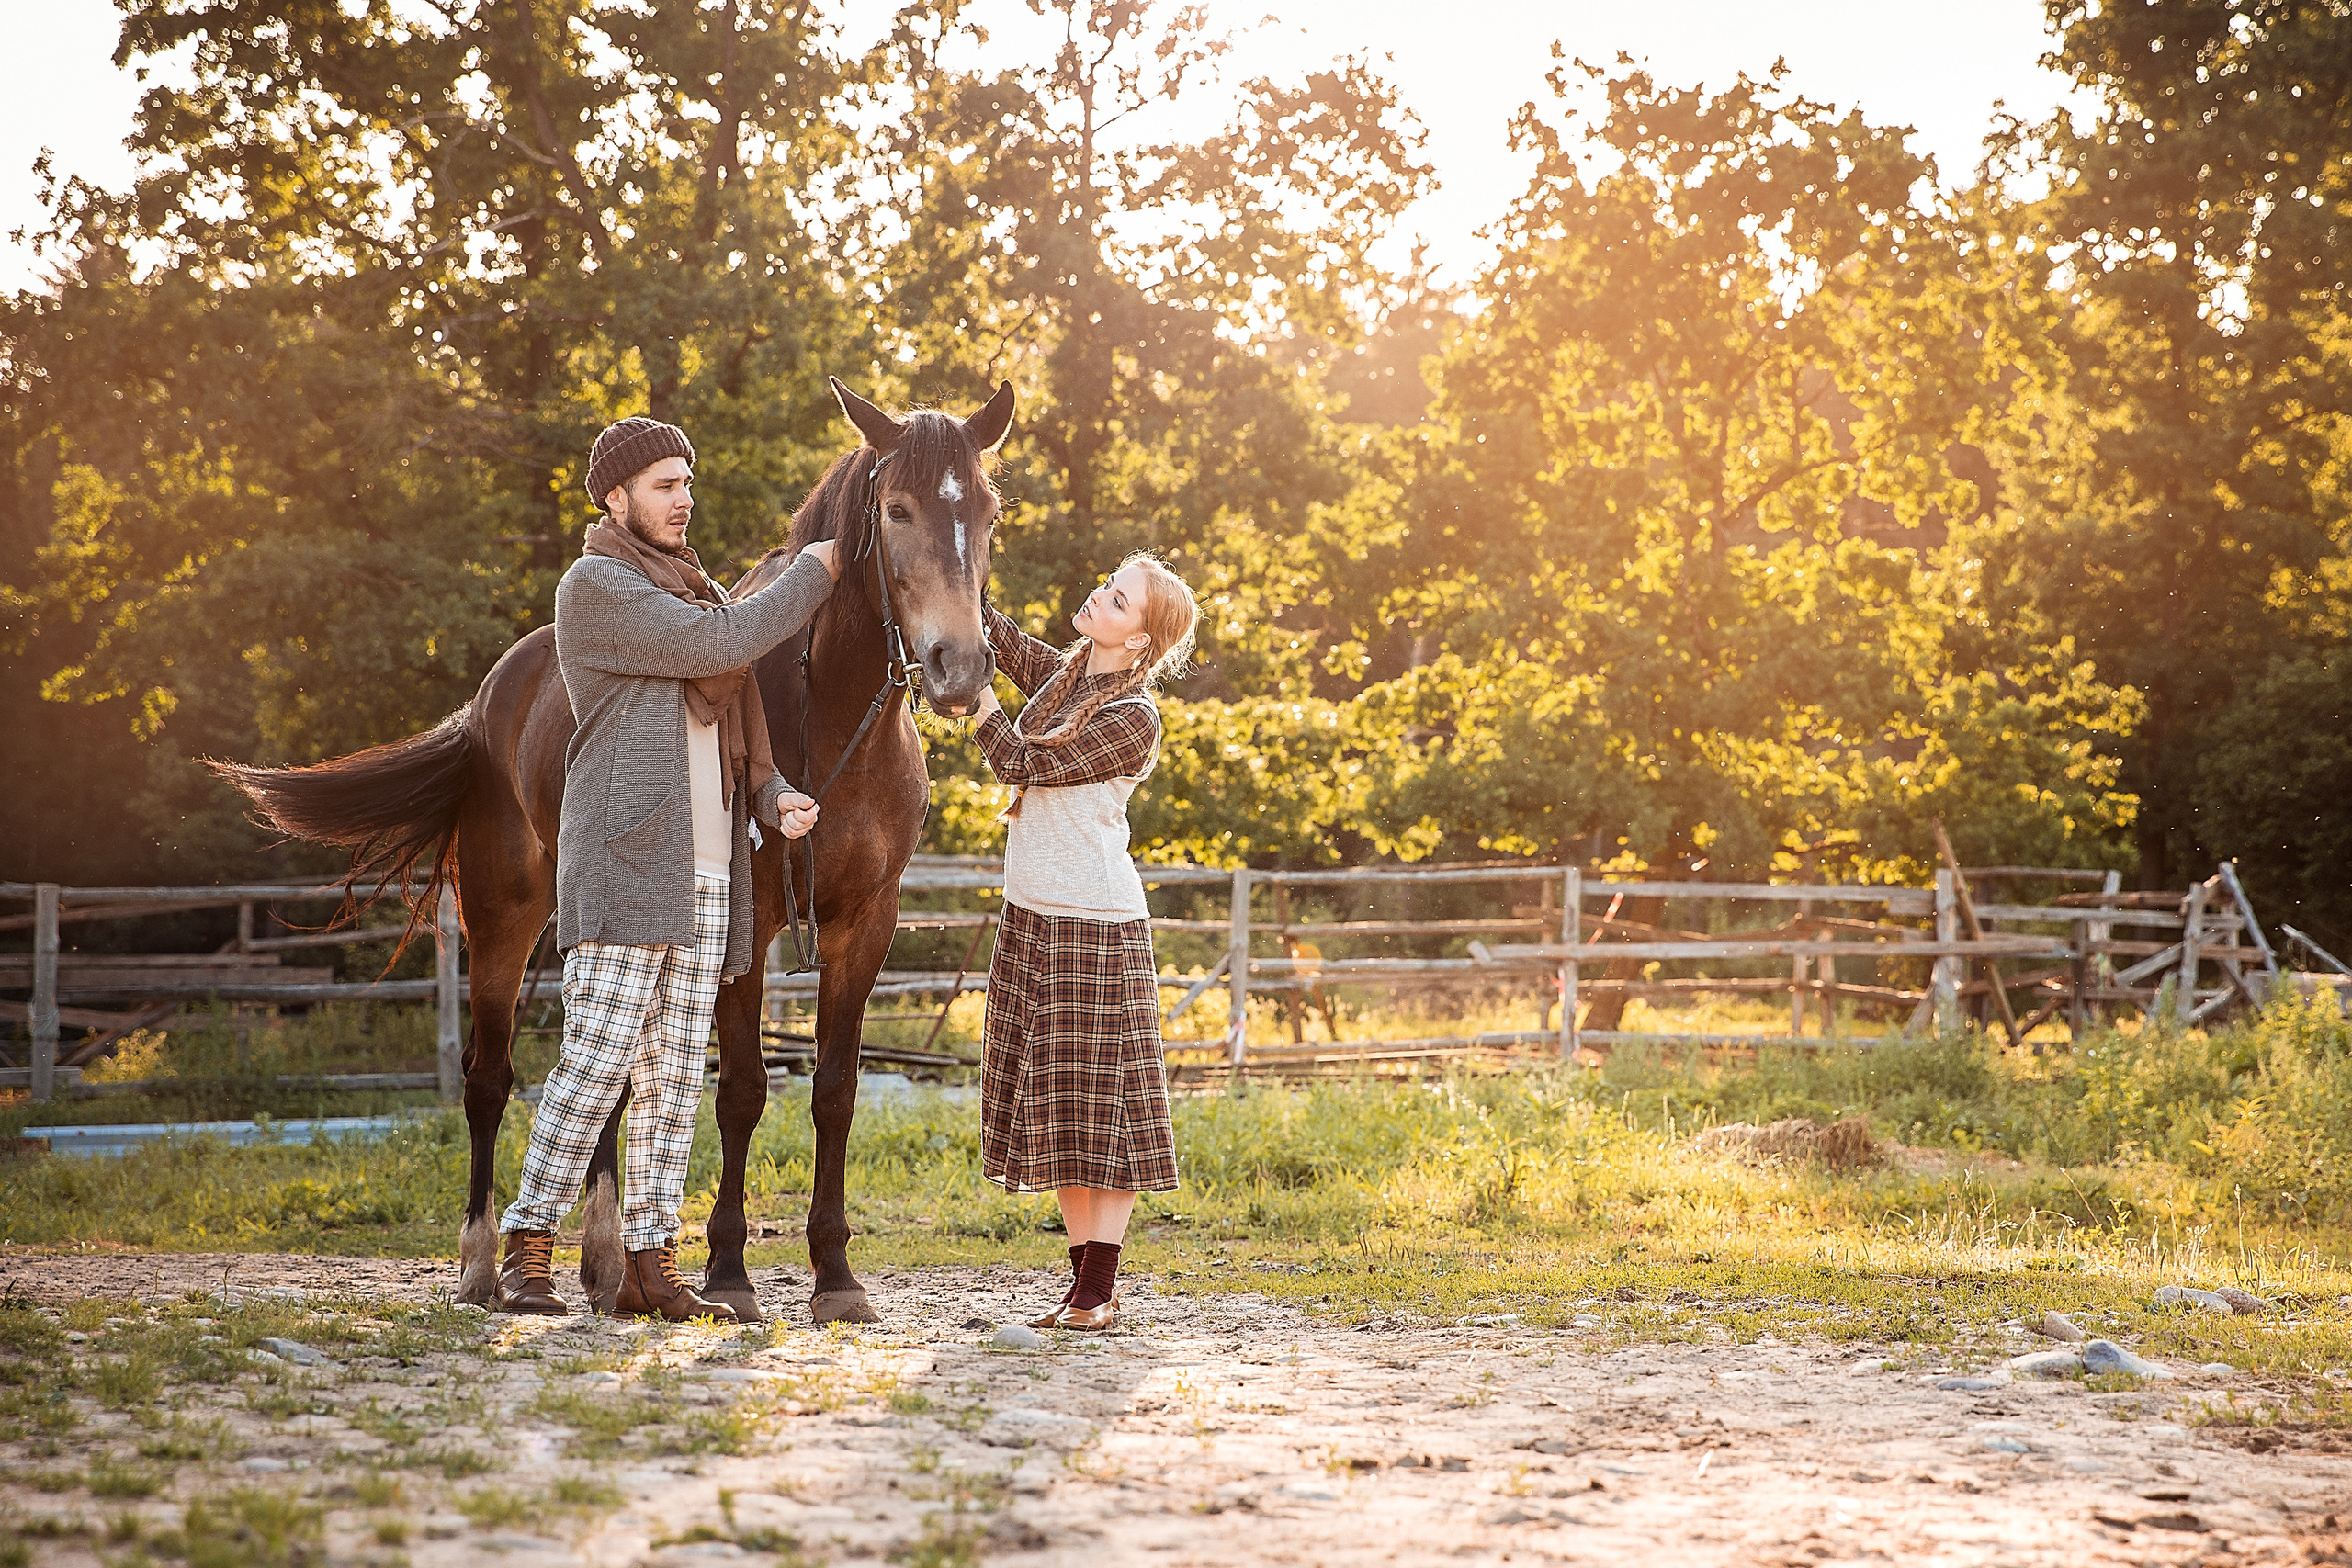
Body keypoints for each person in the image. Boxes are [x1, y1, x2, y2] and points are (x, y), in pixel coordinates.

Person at [495, 416, 842, 1320]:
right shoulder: (597, 586)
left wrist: (774, 800)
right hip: (623, 857)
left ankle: (650, 1261)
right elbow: (721, 648)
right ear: (616, 497)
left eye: (687, 481)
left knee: (674, 1070)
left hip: (705, 869)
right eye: (662, 484)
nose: (682, 498)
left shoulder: (697, 593)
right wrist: (814, 569)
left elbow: (738, 728)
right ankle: (525, 1246)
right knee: (597, 1059)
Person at [963, 553, 1200, 1330]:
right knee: (1060, 1111)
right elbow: (1006, 640)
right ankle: (1081, 1293)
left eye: (1118, 598)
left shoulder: (1134, 717)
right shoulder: (1069, 676)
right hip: (1034, 914)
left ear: (1140, 638)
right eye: (1105, 582)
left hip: (1095, 924)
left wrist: (976, 703)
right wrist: (961, 583)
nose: (1099, 594)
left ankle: (1099, 1287)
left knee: (1110, 1111)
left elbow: (1023, 760)